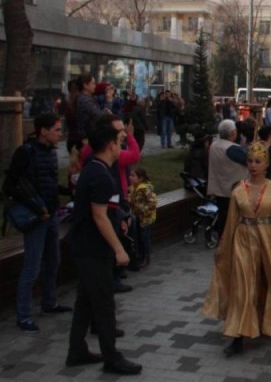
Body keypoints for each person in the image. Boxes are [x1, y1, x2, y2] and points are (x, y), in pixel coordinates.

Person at [203, 141, 271, 356]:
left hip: (268, 241)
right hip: (243, 239)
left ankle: (266, 323)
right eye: (250, 161)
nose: (253, 165)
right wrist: (224, 248)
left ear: (267, 164)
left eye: (258, 161)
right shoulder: (238, 190)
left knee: (268, 282)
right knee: (242, 286)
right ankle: (237, 334)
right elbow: (230, 222)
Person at [66, 115, 142, 375]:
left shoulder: (97, 170)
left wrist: (118, 217)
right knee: (104, 304)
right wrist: (119, 250)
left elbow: (103, 211)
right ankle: (112, 357)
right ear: (110, 145)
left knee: (86, 302)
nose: (122, 144)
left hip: (86, 246)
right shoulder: (100, 175)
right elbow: (98, 217)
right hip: (93, 249)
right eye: (120, 140)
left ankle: (76, 351)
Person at [2, 113, 73, 333]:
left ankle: (49, 302)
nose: (60, 134)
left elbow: (49, 184)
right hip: (36, 218)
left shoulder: (50, 153)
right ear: (43, 131)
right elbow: (9, 187)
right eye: (57, 130)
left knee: (53, 260)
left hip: (51, 214)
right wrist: (36, 207)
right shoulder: (26, 152)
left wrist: (70, 192)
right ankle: (23, 316)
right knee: (31, 266)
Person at [206, 119, 248, 237]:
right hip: (232, 190)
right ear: (232, 133)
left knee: (223, 217)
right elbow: (248, 159)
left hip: (219, 188)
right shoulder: (231, 148)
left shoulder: (214, 145)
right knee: (231, 220)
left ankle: (222, 239)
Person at [129, 167, 156, 269]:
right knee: (138, 237)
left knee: (145, 238)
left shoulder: (145, 188)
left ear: (140, 178)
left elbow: (152, 202)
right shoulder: (133, 187)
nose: (130, 177)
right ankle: (140, 256)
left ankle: (146, 257)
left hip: (146, 218)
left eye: (133, 175)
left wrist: (143, 210)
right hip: (137, 217)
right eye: (130, 175)